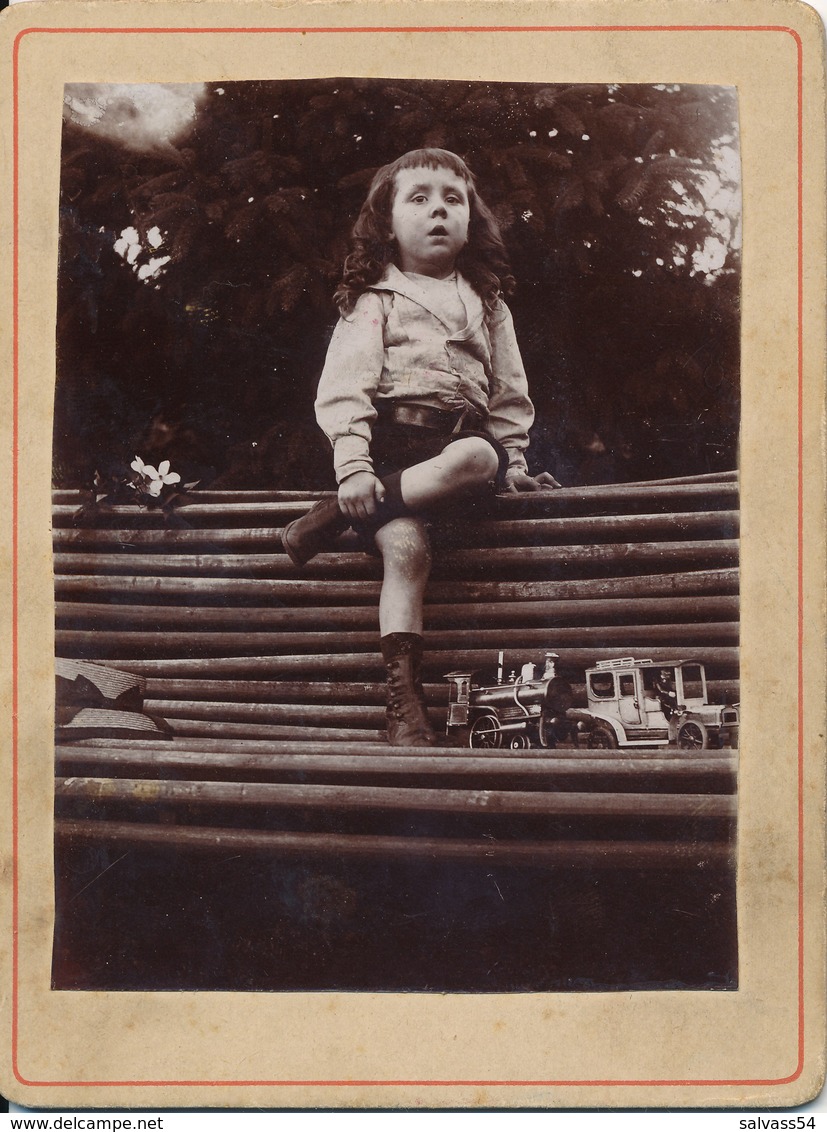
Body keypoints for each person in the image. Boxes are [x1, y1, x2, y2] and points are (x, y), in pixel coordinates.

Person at [282, 148, 560, 746]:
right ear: (387, 223)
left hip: (460, 460)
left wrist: (514, 463)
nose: (438, 210)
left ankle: (327, 520)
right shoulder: (374, 300)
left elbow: (510, 392)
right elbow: (344, 389)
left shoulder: (487, 302)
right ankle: (403, 706)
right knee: (405, 550)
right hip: (388, 454)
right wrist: (354, 466)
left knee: (478, 455)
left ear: (470, 221)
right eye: (419, 198)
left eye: (452, 199)